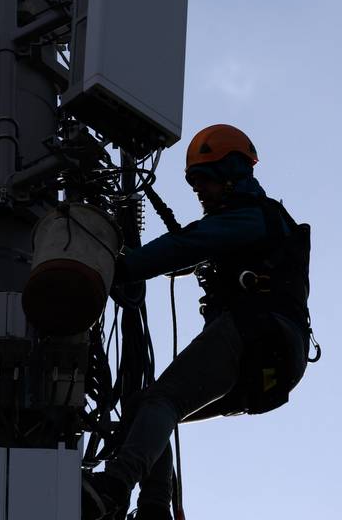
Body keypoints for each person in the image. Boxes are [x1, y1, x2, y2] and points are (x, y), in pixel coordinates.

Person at [82, 124, 314, 520]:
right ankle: (155, 509)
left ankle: (115, 486)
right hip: (271, 362)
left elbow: (185, 246)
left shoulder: (253, 217)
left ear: (231, 172)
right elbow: (192, 249)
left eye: (204, 182)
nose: (200, 194)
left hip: (256, 332)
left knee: (161, 400)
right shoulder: (255, 225)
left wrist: (115, 269)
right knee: (147, 406)